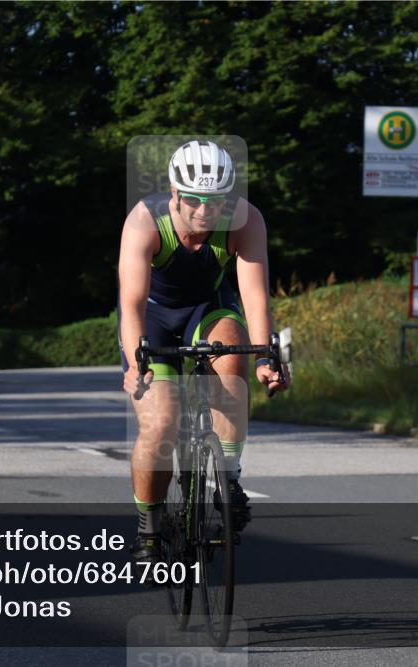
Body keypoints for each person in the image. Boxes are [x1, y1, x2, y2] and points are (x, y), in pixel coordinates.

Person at [117, 140, 290, 567]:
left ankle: (228, 477)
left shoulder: (245, 220)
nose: (204, 210)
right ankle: (150, 525)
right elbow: (132, 301)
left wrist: (267, 358)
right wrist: (136, 360)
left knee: (233, 356)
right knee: (160, 425)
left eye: (215, 201)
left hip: (208, 309)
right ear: (174, 192)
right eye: (194, 199)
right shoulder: (145, 220)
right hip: (153, 320)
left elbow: (254, 296)